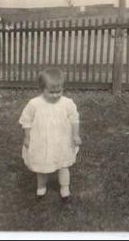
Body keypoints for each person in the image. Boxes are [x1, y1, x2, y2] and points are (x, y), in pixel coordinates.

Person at [19, 69, 81, 200]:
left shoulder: (67, 103)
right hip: (41, 140)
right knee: (41, 163)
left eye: (59, 91)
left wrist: (75, 135)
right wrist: (27, 136)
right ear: (42, 89)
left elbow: (74, 119)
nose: (56, 95)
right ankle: (41, 186)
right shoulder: (34, 104)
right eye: (51, 92)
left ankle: (65, 186)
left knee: (63, 164)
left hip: (61, 140)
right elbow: (26, 121)